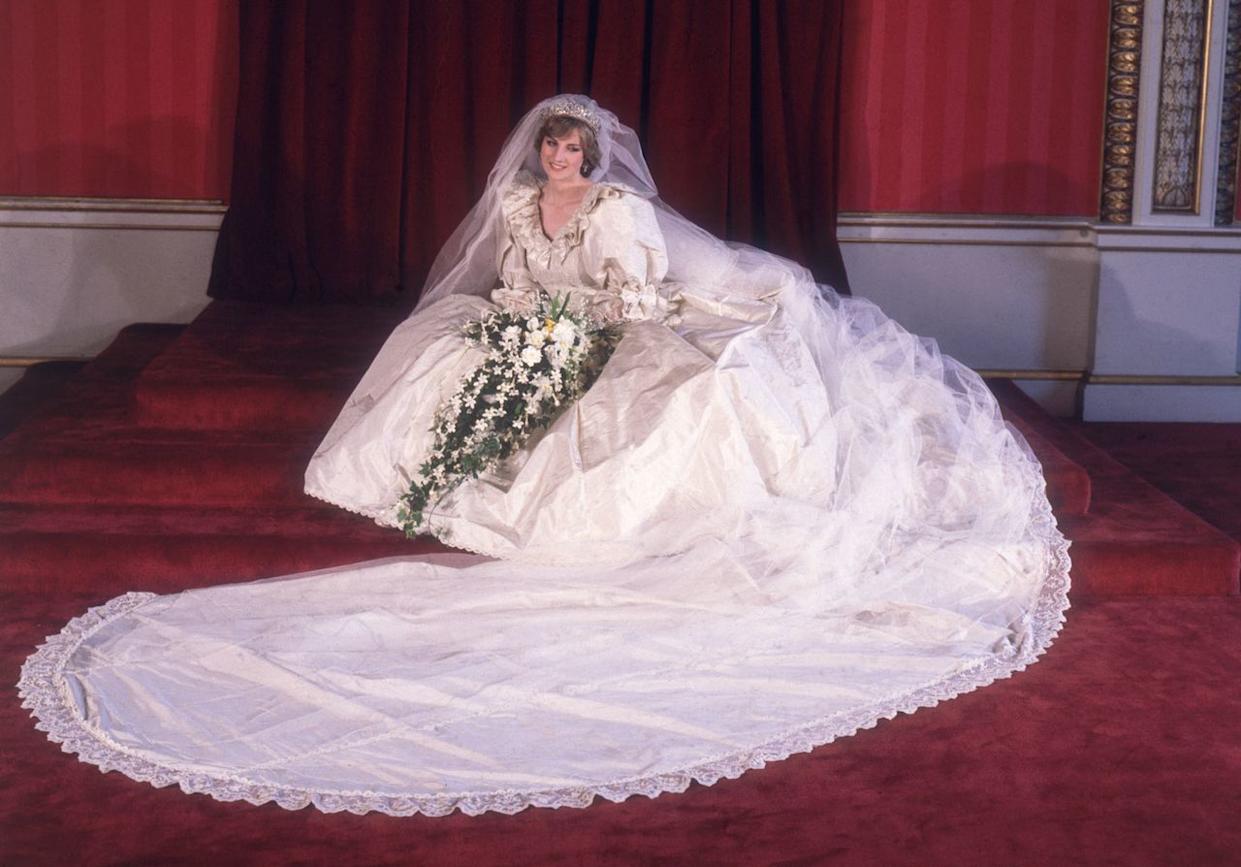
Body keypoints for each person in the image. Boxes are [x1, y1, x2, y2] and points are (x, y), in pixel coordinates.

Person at [19, 95, 1070, 817]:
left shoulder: (619, 212)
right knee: (442, 347)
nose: (560, 165)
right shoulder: (522, 208)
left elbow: (628, 295)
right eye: (550, 152)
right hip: (548, 323)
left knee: (655, 394)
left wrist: (574, 331)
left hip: (620, 318)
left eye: (573, 153)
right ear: (537, 158)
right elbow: (517, 276)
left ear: (593, 158)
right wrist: (520, 325)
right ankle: (436, 481)